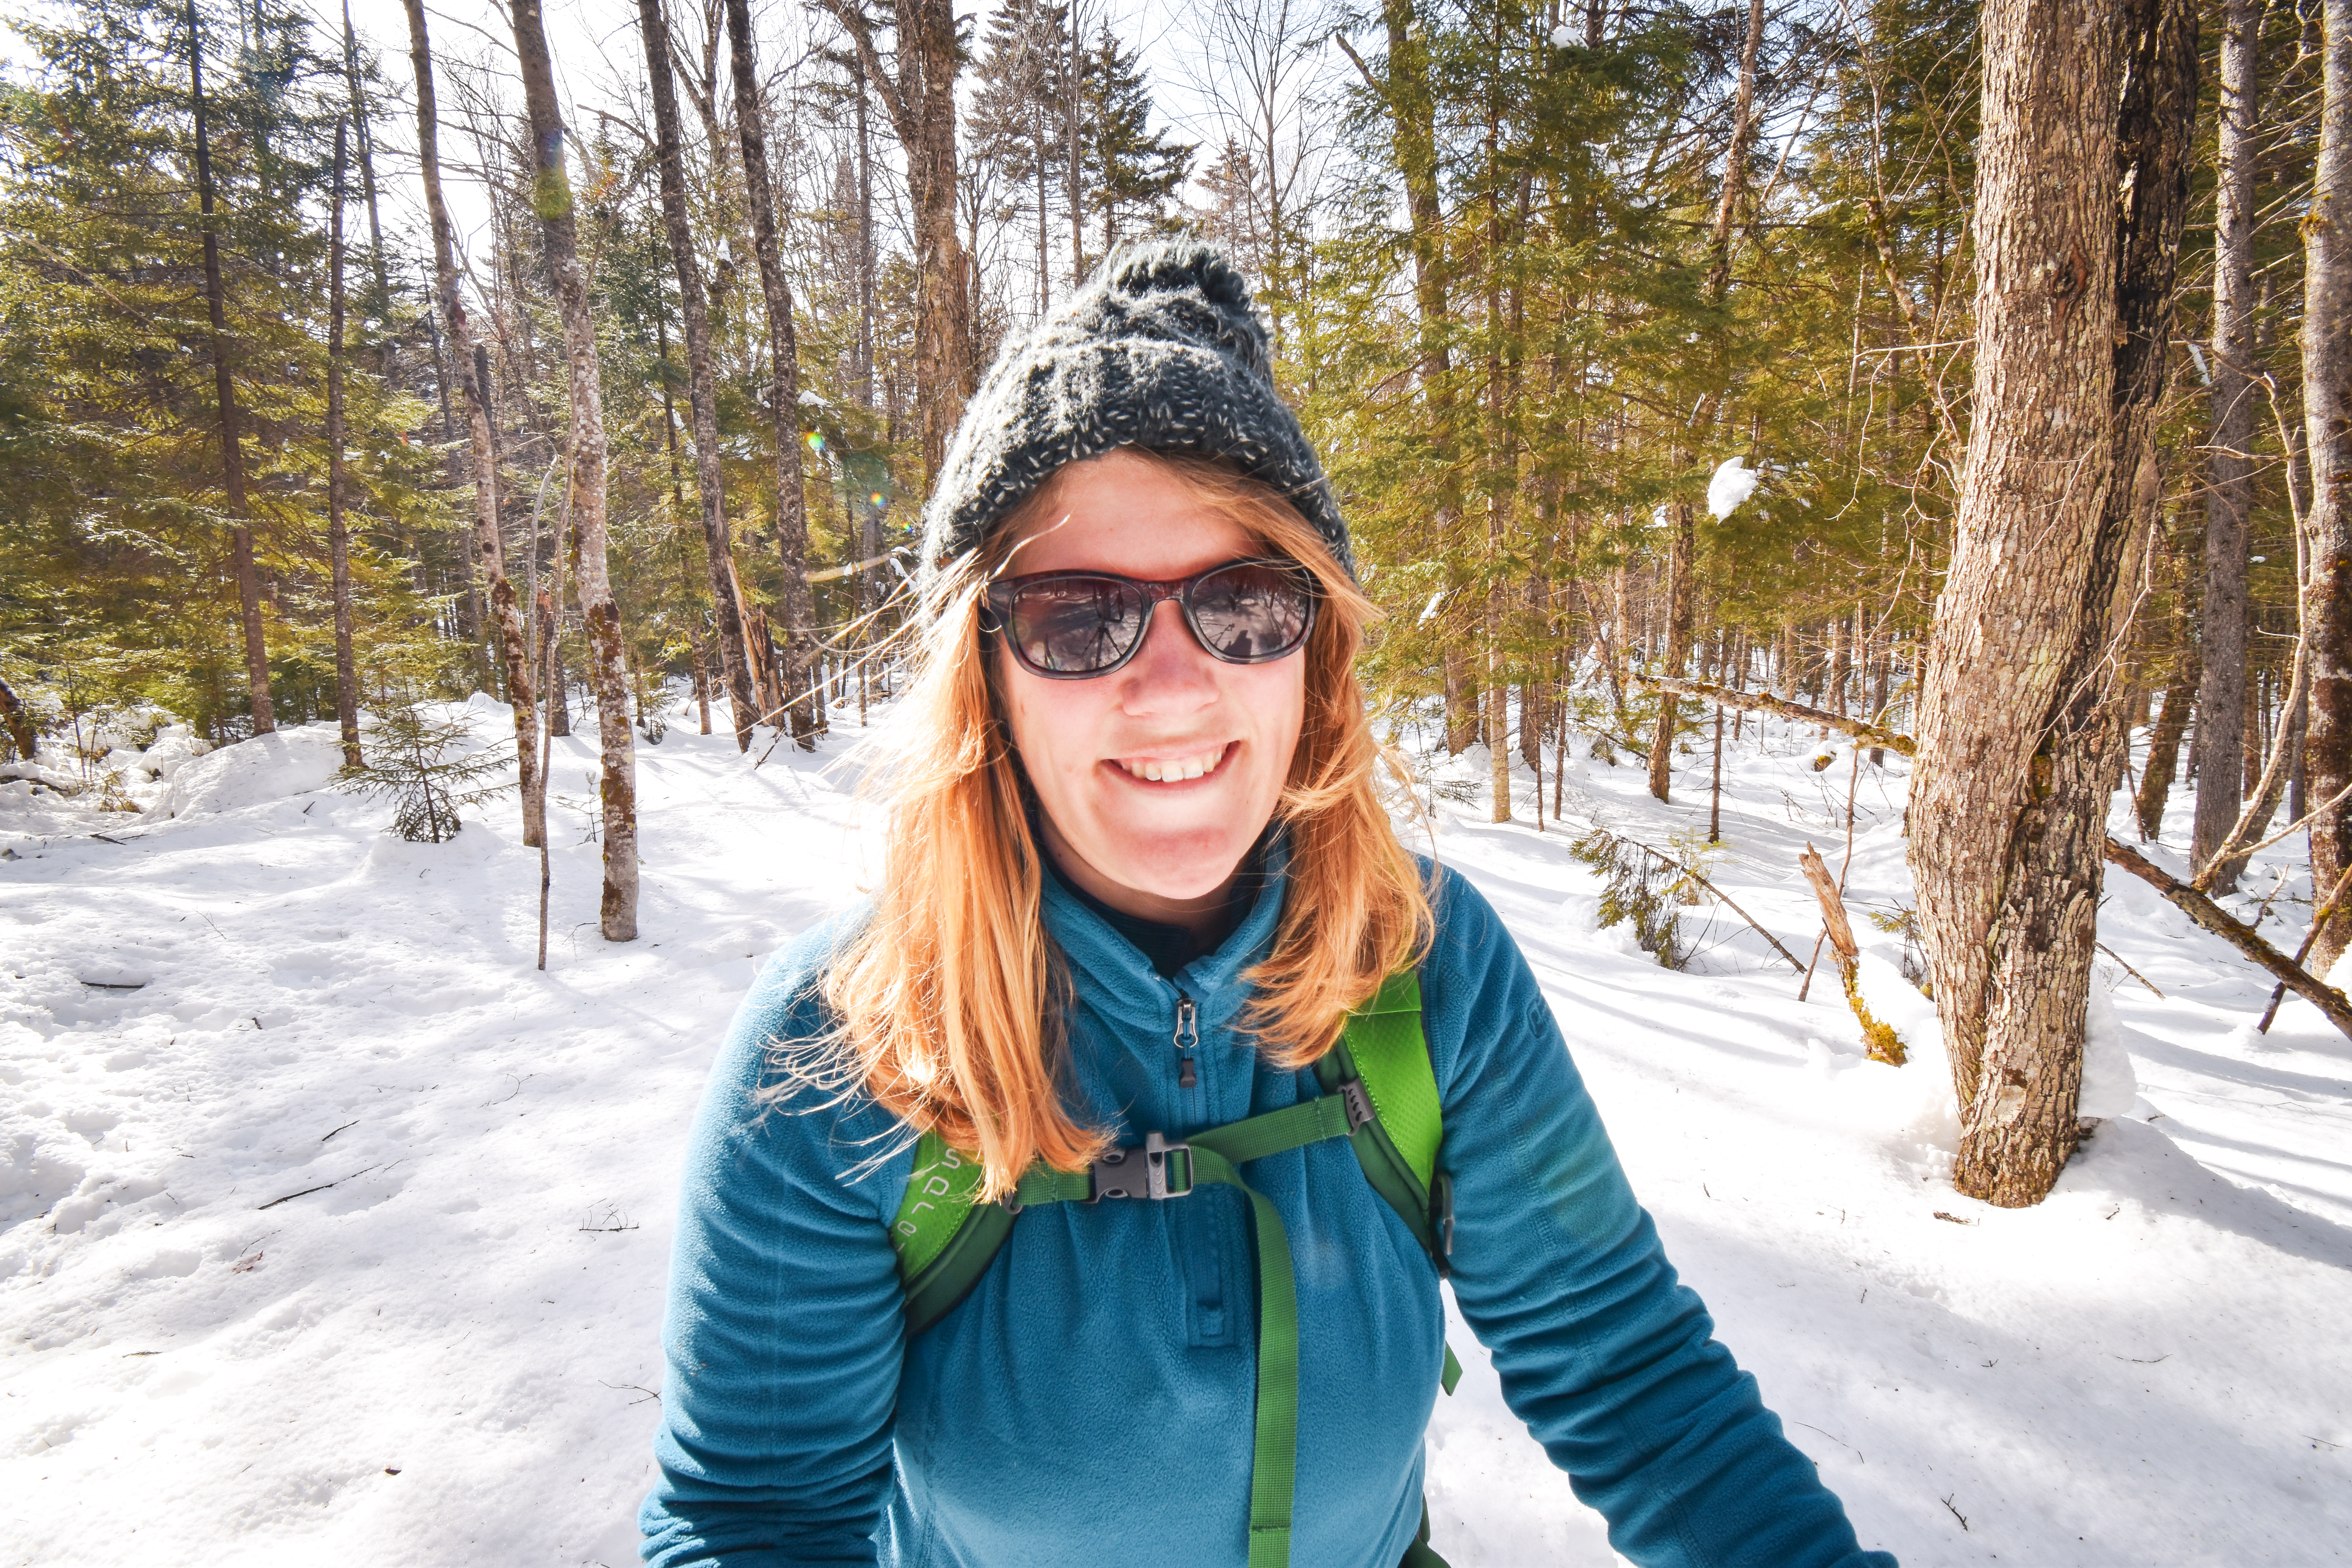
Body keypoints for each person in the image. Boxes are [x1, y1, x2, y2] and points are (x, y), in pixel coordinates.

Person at [639, 245, 1893, 1568]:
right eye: (1079, 619)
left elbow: (1633, 1379)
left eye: (1243, 603)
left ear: (1317, 650)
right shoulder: (842, 1051)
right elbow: (757, 1523)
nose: (1174, 687)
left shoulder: (1425, 965)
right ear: (985, 676)